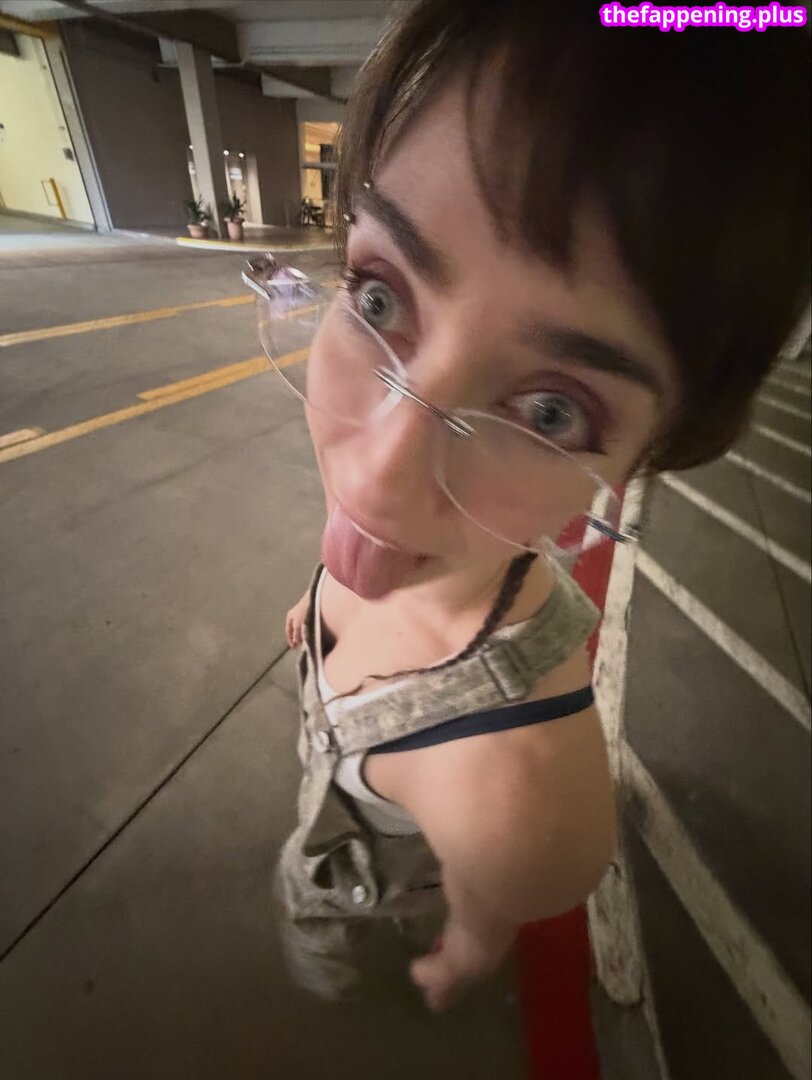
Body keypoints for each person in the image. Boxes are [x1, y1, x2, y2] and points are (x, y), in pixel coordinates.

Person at [268, 0, 809, 1012]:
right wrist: (319, 612)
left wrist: (457, 958)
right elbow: (362, 542)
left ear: (641, 461)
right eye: (378, 295)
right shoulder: (405, 533)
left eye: (551, 410)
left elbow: (491, 905)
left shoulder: (515, 804)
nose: (374, 480)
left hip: (370, 889)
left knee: (328, 947)